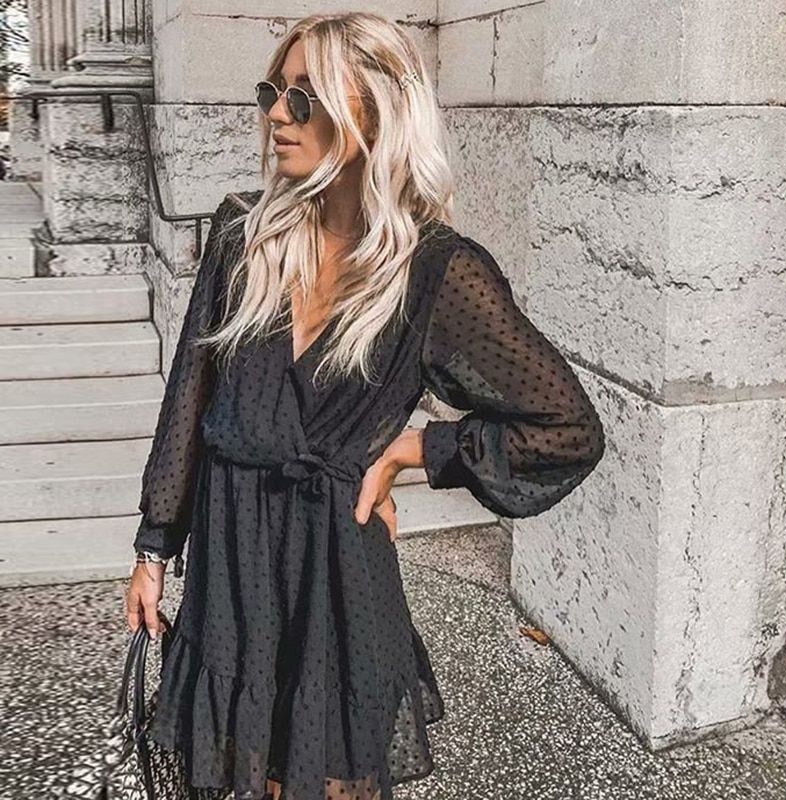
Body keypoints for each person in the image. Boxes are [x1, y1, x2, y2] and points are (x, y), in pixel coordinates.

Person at [124, 11, 605, 800]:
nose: (277, 115)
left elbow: (567, 428)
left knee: (331, 777)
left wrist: (414, 451)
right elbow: (189, 399)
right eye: (272, 93)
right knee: (243, 770)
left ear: (375, 115)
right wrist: (152, 549)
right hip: (232, 564)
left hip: (337, 574)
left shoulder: (434, 271)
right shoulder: (242, 235)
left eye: (304, 97)